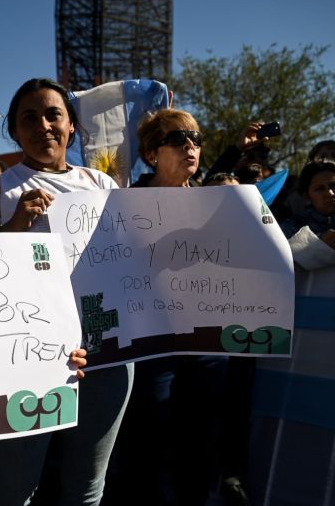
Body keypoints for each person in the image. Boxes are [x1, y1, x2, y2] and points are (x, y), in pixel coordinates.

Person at [0, 78, 127, 506]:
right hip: (23, 359)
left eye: (53, 114)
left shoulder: (103, 186)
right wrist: (16, 224)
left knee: (85, 489)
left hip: (104, 357)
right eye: (28, 118)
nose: (43, 126)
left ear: (72, 125)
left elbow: (128, 265)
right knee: (12, 488)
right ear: (14, 131)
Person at [105, 108, 229, 506]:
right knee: (149, 441)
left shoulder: (220, 202)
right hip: (150, 347)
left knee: (203, 442)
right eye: (178, 139)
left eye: (196, 138)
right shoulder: (124, 204)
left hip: (207, 346)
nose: (191, 146)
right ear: (153, 153)